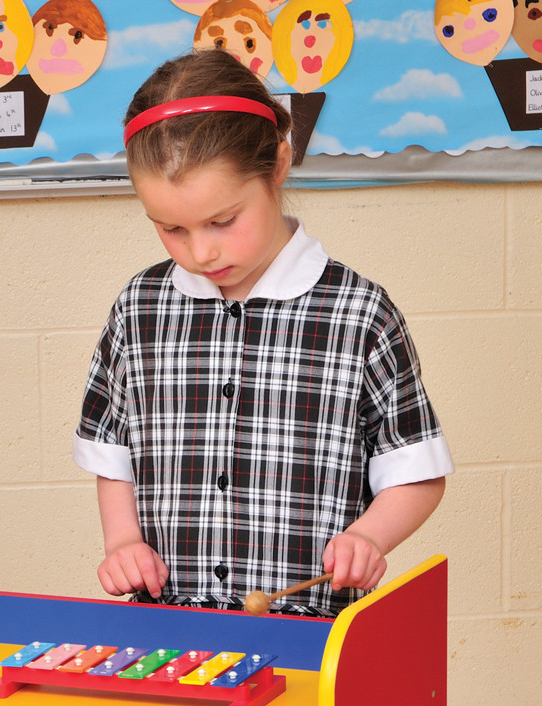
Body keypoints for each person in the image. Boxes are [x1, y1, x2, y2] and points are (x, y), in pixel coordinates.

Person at [76, 48, 450, 616]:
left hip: (312, 631)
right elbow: (113, 456)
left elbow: (417, 471)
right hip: (173, 624)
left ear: (277, 166)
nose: (200, 252)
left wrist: (371, 537)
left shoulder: (360, 314)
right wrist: (123, 541)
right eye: (171, 228)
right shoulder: (139, 308)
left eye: (223, 220)